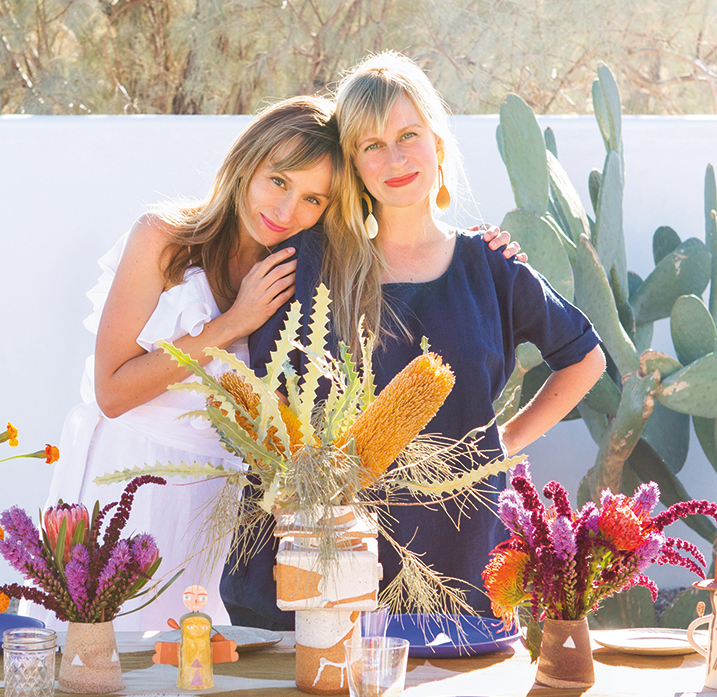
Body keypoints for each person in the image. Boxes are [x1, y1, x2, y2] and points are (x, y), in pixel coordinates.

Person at [39, 96, 345, 697]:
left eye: (313, 199)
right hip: (119, 494)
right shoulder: (165, 236)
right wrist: (225, 326)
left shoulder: (297, 269)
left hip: (201, 509)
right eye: (278, 180)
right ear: (246, 161)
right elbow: (112, 387)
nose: (285, 208)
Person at [222, 51, 605, 631]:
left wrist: (506, 440)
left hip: (459, 552)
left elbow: (585, 358)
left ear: (439, 143)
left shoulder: (491, 267)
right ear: (352, 164)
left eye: (408, 135)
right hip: (329, 549)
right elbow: (268, 403)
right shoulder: (309, 264)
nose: (395, 158)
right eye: (372, 145)